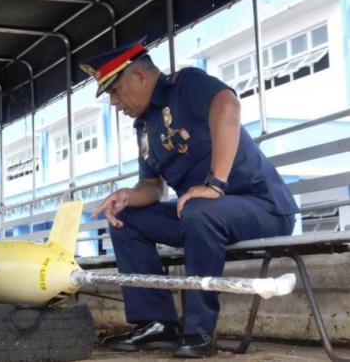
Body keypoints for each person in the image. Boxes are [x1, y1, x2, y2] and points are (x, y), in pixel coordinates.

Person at [81, 39, 297, 358]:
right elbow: (152, 187)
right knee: (125, 220)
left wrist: (215, 183)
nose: (114, 102)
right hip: (202, 215)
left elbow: (228, 106)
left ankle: (198, 333)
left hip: (263, 207)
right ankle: (156, 323)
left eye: (114, 90)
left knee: (199, 210)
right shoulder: (144, 128)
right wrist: (128, 195)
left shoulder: (186, 85)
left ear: (139, 76)